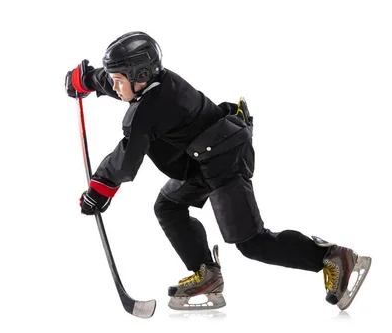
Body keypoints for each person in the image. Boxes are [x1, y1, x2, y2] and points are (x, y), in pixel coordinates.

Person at [65, 31, 371, 311]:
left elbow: (127, 159)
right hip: (201, 158)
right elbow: (112, 84)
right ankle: (206, 273)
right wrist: (86, 80)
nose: (115, 87)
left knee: (252, 243)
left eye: (119, 80)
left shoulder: (148, 110)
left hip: (225, 158)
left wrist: (99, 189)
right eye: (113, 78)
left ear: (140, 76)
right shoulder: (148, 85)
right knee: (168, 205)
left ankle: (333, 257)